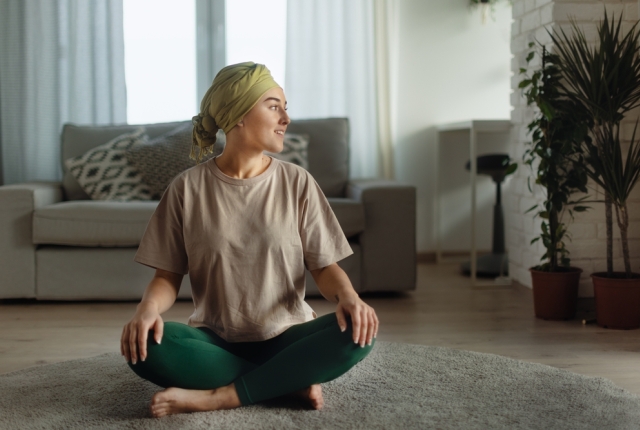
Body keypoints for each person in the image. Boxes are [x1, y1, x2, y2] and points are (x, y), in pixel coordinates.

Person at [120, 62, 379, 418]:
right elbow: (166, 276)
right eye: (274, 106)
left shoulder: (298, 182)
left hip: (289, 336)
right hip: (216, 340)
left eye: (286, 108)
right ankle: (287, 380)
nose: (286, 118)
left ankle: (220, 396)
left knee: (358, 333)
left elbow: (324, 266)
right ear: (238, 114)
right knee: (145, 344)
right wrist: (145, 310)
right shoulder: (187, 189)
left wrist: (350, 298)